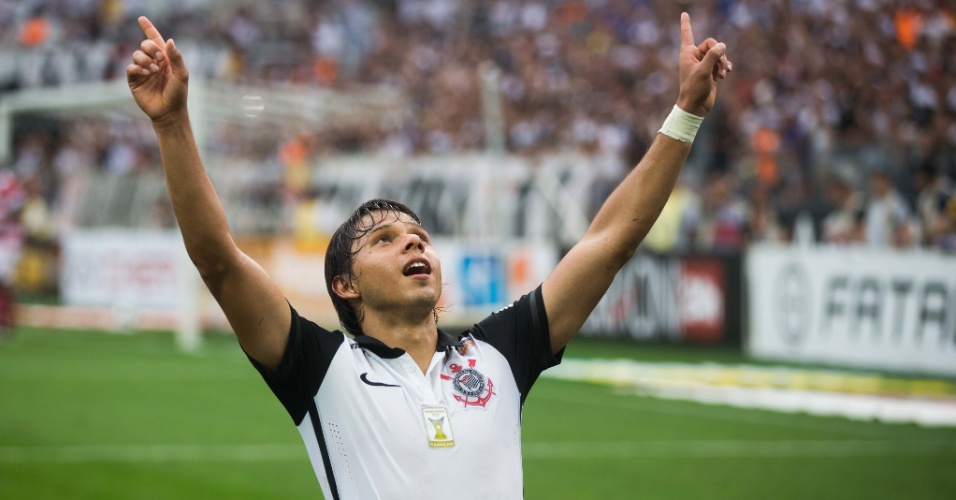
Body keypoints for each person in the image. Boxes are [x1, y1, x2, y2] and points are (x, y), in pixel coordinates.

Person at [126, 13, 731, 499]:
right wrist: (173, 122)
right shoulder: (321, 369)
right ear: (345, 286)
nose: (414, 241)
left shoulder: (498, 353)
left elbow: (608, 241)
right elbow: (220, 261)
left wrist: (686, 114)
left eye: (418, 234)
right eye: (383, 240)